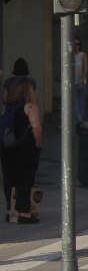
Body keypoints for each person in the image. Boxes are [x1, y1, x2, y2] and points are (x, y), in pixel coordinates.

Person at [1, 80, 43, 224]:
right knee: (25, 178)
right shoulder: (30, 106)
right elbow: (36, 126)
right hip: (25, 148)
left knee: (10, 178)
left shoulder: (8, 108)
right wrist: (38, 143)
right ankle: (25, 212)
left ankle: (12, 210)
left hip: (7, 147)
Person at [72, 37, 88, 124]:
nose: (76, 46)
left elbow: (85, 69)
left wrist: (81, 81)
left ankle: (80, 121)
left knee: (80, 103)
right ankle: (77, 121)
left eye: (78, 44)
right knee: (74, 103)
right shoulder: (70, 55)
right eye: (74, 44)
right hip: (72, 82)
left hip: (80, 82)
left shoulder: (82, 55)